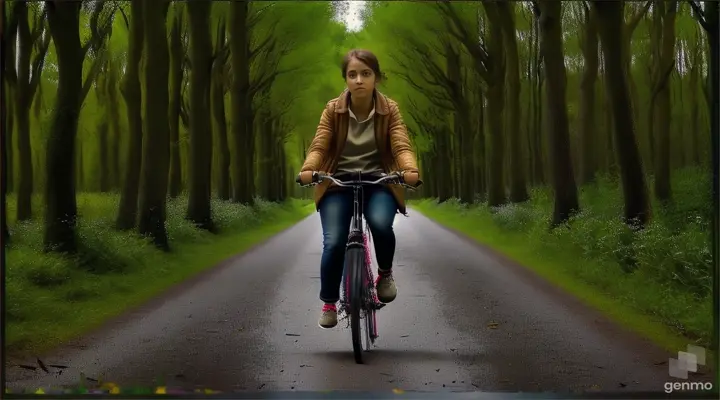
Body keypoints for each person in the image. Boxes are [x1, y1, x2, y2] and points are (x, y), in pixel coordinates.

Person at [297, 49, 421, 329]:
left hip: (379, 181)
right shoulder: (333, 109)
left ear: (376, 77)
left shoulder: (390, 109)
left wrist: (410, 170)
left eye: (366, 73)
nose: (359, 80)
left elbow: (400, 144)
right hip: (337, 181)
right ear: (346, 80)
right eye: (352, 74)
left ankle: (384, 274)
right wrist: (309, 169)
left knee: (379, 222)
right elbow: (320, 145)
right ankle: (329, 302)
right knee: (334, 241)